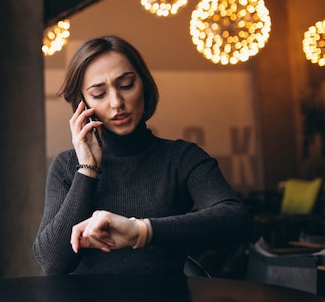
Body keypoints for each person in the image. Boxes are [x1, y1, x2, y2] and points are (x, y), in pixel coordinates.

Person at [33, 35, 252, 276]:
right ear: (82, 104)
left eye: (126, 85)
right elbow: (53, 262)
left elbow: (237, 220)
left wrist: (142, 231)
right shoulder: (67, 166)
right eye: (99, 94)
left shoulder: (181, 158)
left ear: (144, 86)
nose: (117, 102)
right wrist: (87, 169)